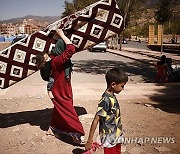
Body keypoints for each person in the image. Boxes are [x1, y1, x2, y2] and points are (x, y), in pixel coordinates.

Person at [36, 29, 85, 144]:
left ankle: (53, 128)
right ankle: (77, 133)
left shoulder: (53, 60)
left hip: (62, 88)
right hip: (60, 90)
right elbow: (71, 49)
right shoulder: (56, 61)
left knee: (60, 109)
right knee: (68, 111)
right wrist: (62, 35)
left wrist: (58, 36)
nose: (49, 53)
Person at [85, 68, 128, 154]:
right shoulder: (105, 100)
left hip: (116, 134)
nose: (123, 89)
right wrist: (90, 140)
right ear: (113, 84)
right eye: (122, 86)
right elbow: (96, 120)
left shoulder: (112, 96)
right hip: (109, 136)